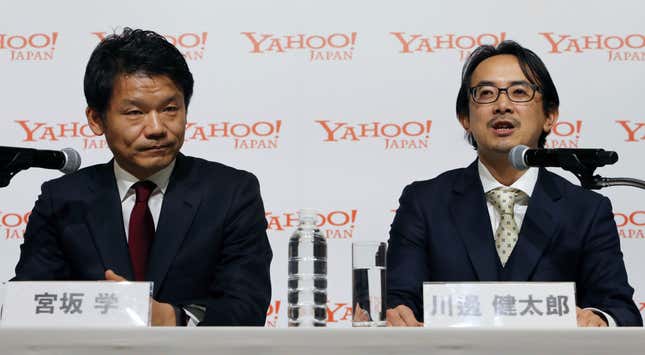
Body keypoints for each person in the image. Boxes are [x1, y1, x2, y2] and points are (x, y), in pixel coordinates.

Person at [12, 28, 272, 326]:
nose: (157, 127)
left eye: (170, 109)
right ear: (96, 119)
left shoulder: (230, 193)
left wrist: (171, 319)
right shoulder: (63, 200)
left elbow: (246, 307)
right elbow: (29, 305)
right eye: (135, 112)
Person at [386, 40, 642, 327]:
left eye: (519, 92)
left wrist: (599, 320)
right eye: (486, 93)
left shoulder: (586, 210)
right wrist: (398, 315)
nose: (502, 105)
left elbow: (622, 312)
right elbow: (399, 301)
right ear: (464, 118)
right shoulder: (425, 203)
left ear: (549, 116)